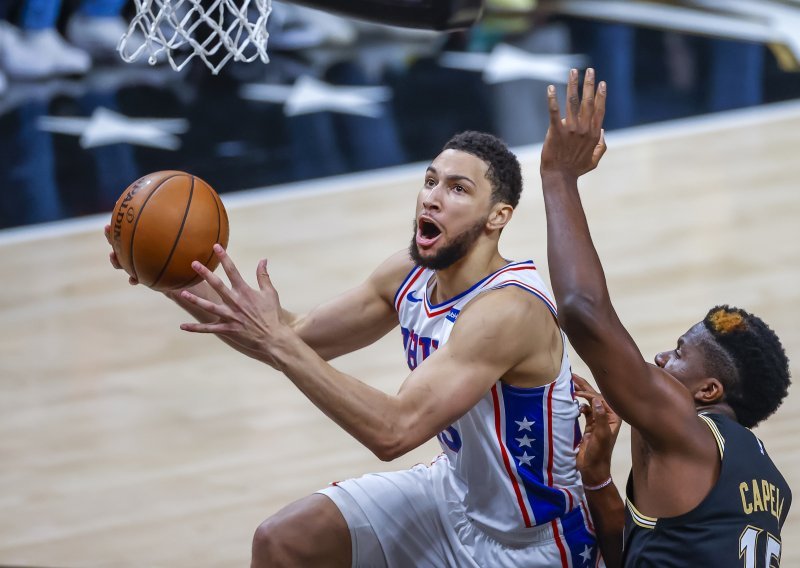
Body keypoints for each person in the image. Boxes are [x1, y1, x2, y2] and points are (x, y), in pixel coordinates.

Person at [106, 131, 601, 566]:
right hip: (453, 495)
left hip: (531, 543)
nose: (432, 198)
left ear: (498, 217)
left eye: (457, 189)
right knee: (284, 543)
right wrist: (165, 273)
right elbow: (292, 335)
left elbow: (395, 429)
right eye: (430, 181)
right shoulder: (408, 274)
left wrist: (278, 342)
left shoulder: (508, 311)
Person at [539, 68, 792, 566]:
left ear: (709, 392)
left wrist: (558, 177)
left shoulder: (688, 433)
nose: (658, 357)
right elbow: (636, 556)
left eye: (678, 353)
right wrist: (597, 478)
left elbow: (582, 310)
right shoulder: (769, 485)